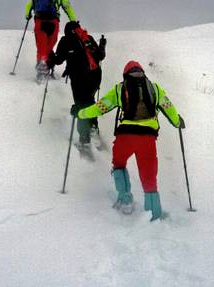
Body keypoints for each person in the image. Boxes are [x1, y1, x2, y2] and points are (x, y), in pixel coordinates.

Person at [76, 61, 185, 221]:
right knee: (149, 175)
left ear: (125, 74)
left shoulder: (120, 88)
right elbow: (168, 106)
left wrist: (81, 114)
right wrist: (177, 121)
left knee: (119, 164)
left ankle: (125, 200)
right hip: (147, 138)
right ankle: (154, 213)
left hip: (125, 136)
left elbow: (100, 107)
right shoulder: (154, 88)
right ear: (142, 73)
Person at [48, 21, 106, 160]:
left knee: (81, 107)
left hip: (79, 79)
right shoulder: (88, 38)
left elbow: (58, 60)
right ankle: (93, 129)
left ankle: (84, 142)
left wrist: (49, 53)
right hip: (95, 77)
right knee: (90, 102)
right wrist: (103, 44)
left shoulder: (66, 40)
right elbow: (100, 56)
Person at [24, 0, 77, 80]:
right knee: (50, 44)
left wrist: (28, 15)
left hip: (40, 21)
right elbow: (68, 7)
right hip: (53, 22)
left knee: (41, 46)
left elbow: (29, 5)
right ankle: (49, 66)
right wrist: (73, 21)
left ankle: (41, 69)